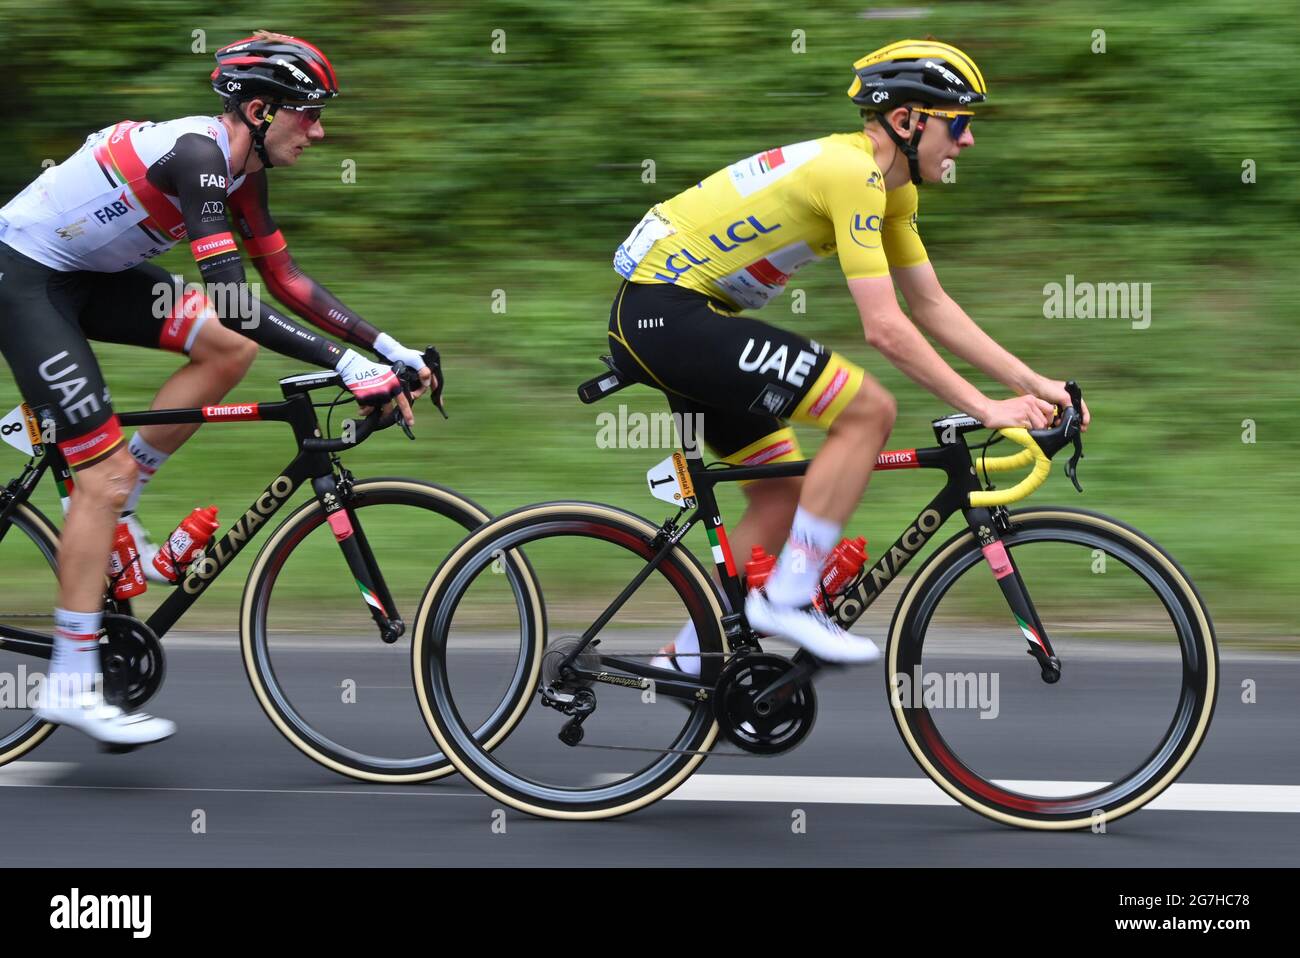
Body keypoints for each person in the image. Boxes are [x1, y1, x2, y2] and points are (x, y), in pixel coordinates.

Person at [0, 31, 434, 746]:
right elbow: (233, 296)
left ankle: (122, 504)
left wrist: (386, 348)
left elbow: (285, 282)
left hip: (90, 277)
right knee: (97, 473)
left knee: (223, 349)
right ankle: (70, 681)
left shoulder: (243, 174)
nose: (319, 132)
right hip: (27, 280)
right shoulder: (200, 159)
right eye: (310, 113)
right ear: (262, 111)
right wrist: (344, 366)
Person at [607, 39, 1089, 668]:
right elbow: (884, 328)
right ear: (908, 120)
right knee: (867, 411)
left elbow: (932, 306)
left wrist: (1035, 383)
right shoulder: (852, 173)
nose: (968, 141)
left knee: (787, 492)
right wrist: (986, 408)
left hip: (680, 316)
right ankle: (787, 599)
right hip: (665, 312)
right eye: (960, 122)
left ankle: (688, 663)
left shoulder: (893, 191)